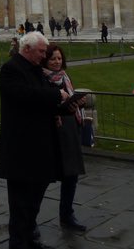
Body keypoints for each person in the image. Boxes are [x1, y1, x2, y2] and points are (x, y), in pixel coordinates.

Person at [0, 32, 68, 249]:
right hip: (20, 149)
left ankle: (30, 239)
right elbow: (24, 95)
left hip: (40, 147)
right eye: (41, 52)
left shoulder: (36, 69)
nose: (44, 56)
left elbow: (44, 98)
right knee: (20, 204)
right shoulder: (11, 69)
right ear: (27, 49)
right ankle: (18, 244)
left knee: (33, 203)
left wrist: (68, 104)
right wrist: (57, 96)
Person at [42, 44, 87, 232]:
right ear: (45, 60)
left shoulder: (64, 77)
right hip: (53, 131)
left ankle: (67, 214)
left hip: (70, 129)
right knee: (43, 178)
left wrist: (79, 103)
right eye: (52, 58)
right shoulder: (41, 79)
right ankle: (30, 220)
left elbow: (69, 101)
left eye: (59, 58)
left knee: (71, 175)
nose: (56, 62)